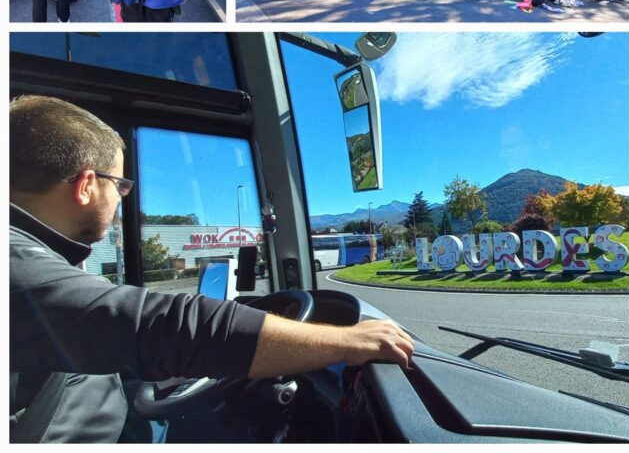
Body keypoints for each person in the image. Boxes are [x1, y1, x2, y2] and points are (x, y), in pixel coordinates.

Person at [9, 95, 415, 443]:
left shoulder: (35, 255)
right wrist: (347, 342)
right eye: (120, 185)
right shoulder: (16, 264)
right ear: (85, 185)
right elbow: (158, 326)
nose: (122, 198)